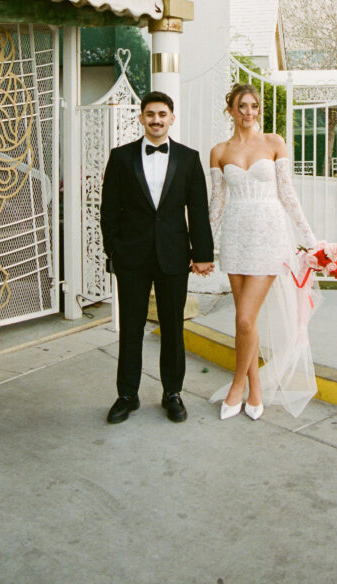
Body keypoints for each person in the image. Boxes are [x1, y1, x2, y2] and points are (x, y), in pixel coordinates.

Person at [209, 83, 321, 421]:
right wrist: (199, 246)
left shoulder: (274, 142)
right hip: (235, 235)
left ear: (259, 109)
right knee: (247, 320)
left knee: (244, 318)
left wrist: (310, 238)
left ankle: (236, 386)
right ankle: (255, 389)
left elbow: (287, 194)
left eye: (254, 106)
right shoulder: (218, 150)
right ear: (230, 109)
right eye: (241, 106)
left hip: (269, 235)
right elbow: (217, 203)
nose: (248, 113)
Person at [101, 91, 214, 424]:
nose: (156, 120)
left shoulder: (188, 158)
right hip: (132, 258)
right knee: (131, 328)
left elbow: (198, 209)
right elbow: (109, 209)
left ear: (171, 118)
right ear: (141, 118)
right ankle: (127, 395)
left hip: (174, 256)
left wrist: (202, 253)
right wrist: (114, 250)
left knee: (173, 328)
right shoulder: (120, 157)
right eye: (150, 114)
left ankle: (173, 394)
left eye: (162, 114)